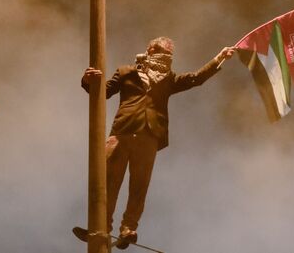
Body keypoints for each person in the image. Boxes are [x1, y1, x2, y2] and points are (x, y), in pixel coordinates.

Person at [80, 36, 235, 249]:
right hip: (122, 131)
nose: (168, 56)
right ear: (151, 50)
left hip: (149, 135)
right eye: (164, 51)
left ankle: (128, 228)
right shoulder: (126, 72)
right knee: (109, 181)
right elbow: (102, 93)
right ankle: (101, 226)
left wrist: (219, 58)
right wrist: (88, 81)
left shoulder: (168, 79)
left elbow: (195, 79)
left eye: (170, 53)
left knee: (139, 186)